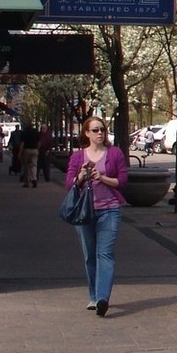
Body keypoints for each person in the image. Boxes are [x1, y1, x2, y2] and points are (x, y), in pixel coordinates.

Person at [65, 116, 129, 317]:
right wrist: (80, 177)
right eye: (95, 130)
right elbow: (68, 183)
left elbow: (122, 181)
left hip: (109, 210)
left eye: (102, 129)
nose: (100, 133)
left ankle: (103, 299)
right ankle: (93, 296)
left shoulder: (115, 153)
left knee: (105, 253)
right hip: (85, 212)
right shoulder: (78, 157)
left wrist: (102, 178)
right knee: (90, 255)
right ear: (87, 133)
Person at [18, 120, 41, 187]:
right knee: (34, 165)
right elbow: (39, 142)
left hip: (27, 150)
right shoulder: (36, 131)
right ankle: (34, 178)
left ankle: (27, 182)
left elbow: (22, 143)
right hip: (35, 150)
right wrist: (37, 149)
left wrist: (20, 152)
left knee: (26, 166)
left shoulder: (24, 132)